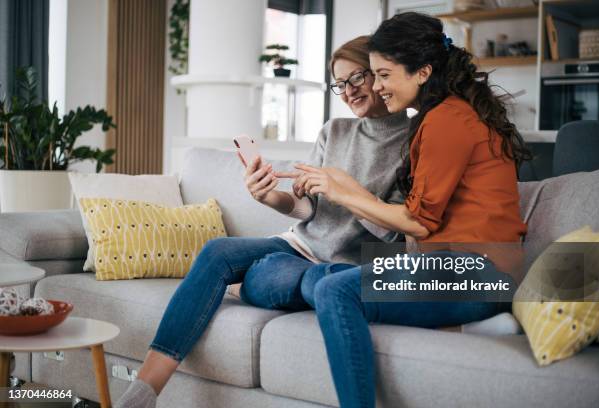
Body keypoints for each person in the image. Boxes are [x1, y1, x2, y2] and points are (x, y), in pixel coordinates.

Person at [115, 36, 411, 408]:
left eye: (356, 78)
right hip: (300, 246)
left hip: (346, 268)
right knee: (218, 251)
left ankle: (251, 283)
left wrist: (345, 192)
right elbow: (307, 209)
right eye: (339, 84)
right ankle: (145, 391)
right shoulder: (333, 131)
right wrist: (268, 195)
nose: (348, 91)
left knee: (274, 276)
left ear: (382, 73)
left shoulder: (414, 141)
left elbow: (394, 230)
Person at [286, 12, 531, 408]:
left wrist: (344, 191)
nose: (377, 86)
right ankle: (474, 326)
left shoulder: (446, 121)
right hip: (457, 268)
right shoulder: (443, 115)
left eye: (383, 75)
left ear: (422, 72)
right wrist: (347, 190)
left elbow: (417, 222)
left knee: (333, 289)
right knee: (323, 276)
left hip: (478, 274)